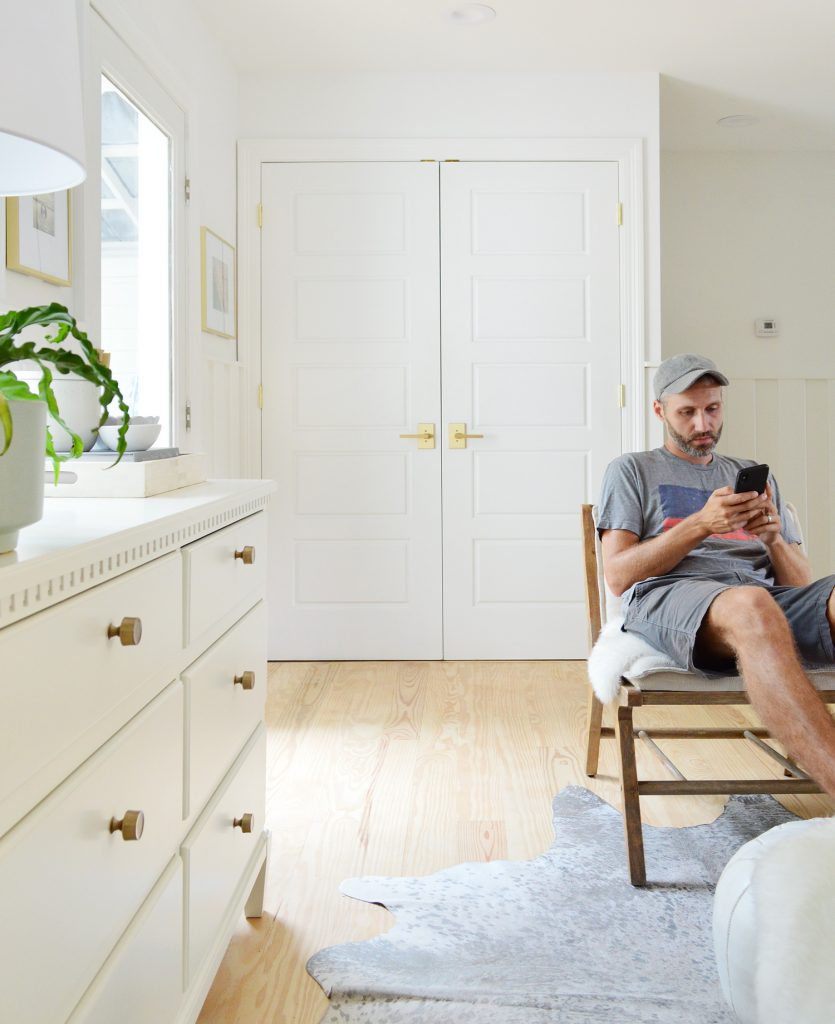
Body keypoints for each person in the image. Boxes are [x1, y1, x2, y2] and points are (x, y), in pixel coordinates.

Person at [597, 353, 835, 798]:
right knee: (751, 603)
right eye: (687, 412)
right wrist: (700, 524)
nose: (703, 424)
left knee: (760, 600)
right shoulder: (631, 470)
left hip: (761, 599)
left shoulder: (748, 473)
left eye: (712, 409)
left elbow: (802, 586)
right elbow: (617, 575)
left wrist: (773, 538)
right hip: (674, 597)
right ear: (660, 411)